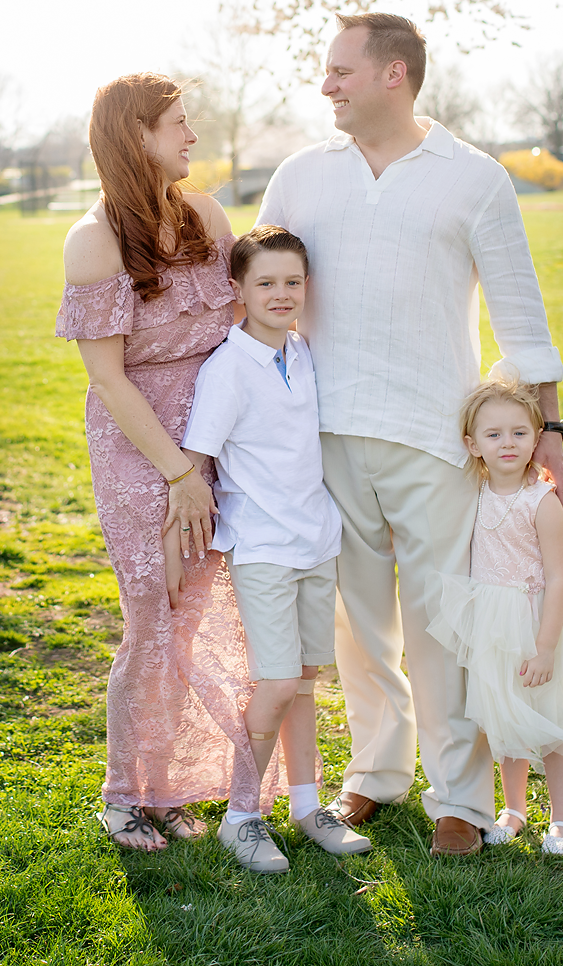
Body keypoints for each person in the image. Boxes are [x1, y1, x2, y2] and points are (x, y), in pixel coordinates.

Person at [256, 11, 563, 857]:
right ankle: (376, 774)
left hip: (436, 432)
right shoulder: (300, 175)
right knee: (355, 620)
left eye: (340, 70)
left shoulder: (473, 177)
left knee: (441, 620)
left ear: (394, 73)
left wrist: (552, 424)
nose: (327, 84)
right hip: (322, 431)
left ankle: (460, 798)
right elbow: (254, 287)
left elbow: (519, 305)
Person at [56, 73, 271, 852]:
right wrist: (178, 473)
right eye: (178, 124)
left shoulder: (204, 212)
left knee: (191, 620)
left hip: (216, 443)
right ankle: (122, 796)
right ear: (135, 134)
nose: (191, 137)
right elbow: (107, 377)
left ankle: (167, 786)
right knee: (152, 621)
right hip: (144, 455)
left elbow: (252, 313)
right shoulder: (94, 238)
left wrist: (211, 458)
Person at [179, 225, 370, 872]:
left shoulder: (304, 352)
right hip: (261, 543)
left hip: (317, 535)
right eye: (266, 282)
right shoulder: (228, 368)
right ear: (239, 289)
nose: (281, 293)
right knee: (278, 678)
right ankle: (241, 815)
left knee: (307, 680)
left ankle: (306, 802)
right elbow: (195, 457)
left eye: (292, 281)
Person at [429, 371, 563, 856]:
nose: (507, 443)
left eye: (520, 433)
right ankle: (514, 809)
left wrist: (545, 647)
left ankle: (562, 820)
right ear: (472, 444)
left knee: (550, 722)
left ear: (536, 438)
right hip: (492, 625)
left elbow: (559, 577)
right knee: (504, 721)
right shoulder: (472, 494)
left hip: (536, 619)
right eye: (494, 434)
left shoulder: (541, 500)